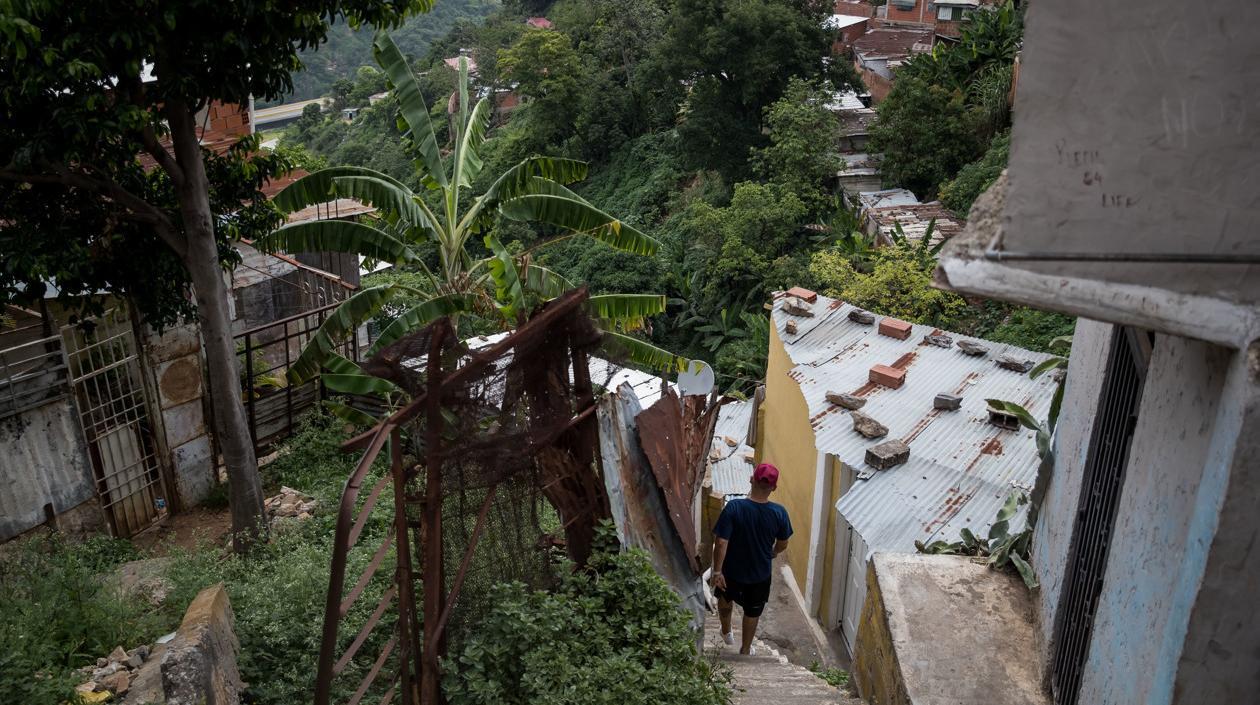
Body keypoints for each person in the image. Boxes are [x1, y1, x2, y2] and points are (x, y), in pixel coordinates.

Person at [710, 462, 793, 655]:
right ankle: (746, 649)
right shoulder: (779, 513)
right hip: (759, 574)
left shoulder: (734, 507)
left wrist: (717, 571)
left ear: (751, 479)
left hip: (731, 571)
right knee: (753, 610)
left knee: (725, 598)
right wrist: (773, 553)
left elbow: (721, 542)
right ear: (774, 488)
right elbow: (783, 543)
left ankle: (726, 632)